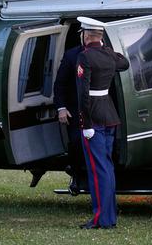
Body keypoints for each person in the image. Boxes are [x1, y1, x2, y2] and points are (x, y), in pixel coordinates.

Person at [73, 16, 129, 230]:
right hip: (109, 115)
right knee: (106, 167)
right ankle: (109, 217)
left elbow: (83, 94)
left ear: (86, 35)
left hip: (93, 119)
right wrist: (107, 48)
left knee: (98, 170)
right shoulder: (108, 55)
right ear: (101, 37)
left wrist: (85, 124)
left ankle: (101, 219)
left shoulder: (85, 57)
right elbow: (124, 62)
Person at [53, 39, 85, 195]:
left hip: (100, 110)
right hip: (76, 110)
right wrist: (61, 108)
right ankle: (76, 177)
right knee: (77, 144)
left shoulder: (107, 53)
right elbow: (60, 84)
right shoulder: (72, 55)